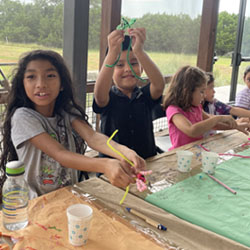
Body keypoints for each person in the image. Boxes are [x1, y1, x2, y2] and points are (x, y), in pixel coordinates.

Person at [0, 50, 146, 199]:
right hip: (37, 202)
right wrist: (106, 165)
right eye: (31, 77)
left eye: (50, 76)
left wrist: (125, 152)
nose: (41, 84)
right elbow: (60, 154)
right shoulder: (23, 117)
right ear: (22, 84)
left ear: (62, 84)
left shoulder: (66, 111)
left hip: (68, 195)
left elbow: (93, 137)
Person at [93, 28, 165, 159]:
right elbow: (99, 95)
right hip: (113, 167)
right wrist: (111, 54)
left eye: (133, 63)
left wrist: (139, 51)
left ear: (141, 68)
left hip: (146, 163)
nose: (128, 69)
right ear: (111, 71)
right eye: (119, 65)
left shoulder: (145, 95)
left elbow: (159, 85)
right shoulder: (108, 97)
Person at [162, 65, 250, 150]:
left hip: (198, 149)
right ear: (187, 91)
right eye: (201, 92)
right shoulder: (174, 110)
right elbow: (191, 130)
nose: (204, 96)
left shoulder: (196, 107)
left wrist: (235, 126)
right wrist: (218, 118)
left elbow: (214, 125)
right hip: (181, 154)